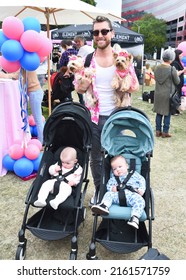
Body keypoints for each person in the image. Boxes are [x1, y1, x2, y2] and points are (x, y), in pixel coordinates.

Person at [75, 16, 123, 205]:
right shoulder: (87, 59)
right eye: (96, 32)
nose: (100, 35)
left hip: (115, 116)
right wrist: (82, 84)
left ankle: (114, 191)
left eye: (104, 31)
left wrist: (122, 85)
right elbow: (78, 87)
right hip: (93, 117)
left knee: (115, 156)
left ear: (112, 33)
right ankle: (99, 190)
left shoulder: (121, 58)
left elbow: (133, 85)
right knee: (95, 158)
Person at [91, 155, 146, 229]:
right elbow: (109, 186)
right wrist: (112, 189)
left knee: (140, 201)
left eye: (120, 167)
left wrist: (141, 189)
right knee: (108, 194)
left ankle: (134, 217)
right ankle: (104, 206)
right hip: (117, 197)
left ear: (127, 166)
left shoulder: (135, 175)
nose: (118, 170)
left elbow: (142, 181)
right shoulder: (113, 179)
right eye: (114, 169)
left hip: (132, 197)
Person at [153, 49, 180, 138]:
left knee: (159, 113)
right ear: (171, 59)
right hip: (168, 95)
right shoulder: (172, 69)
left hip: (158, 93)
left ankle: (157, 131)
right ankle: (165, 131)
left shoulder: (156, 68)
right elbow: (177, 81)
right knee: (167, 113)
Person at [74, 35, 95, 105]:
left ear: (83, 41)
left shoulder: (82, 49)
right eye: (75, 42)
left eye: (78, 41)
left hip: (84, 73)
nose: (77, 43)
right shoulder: (90, 47)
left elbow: (77, 60)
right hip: (91, 72)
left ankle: (83, 105)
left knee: (81, 89)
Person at [27, 71, 44, 145]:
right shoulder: (26, 64)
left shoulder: (25, 66)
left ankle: (42, 142)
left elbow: (17, 76)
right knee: (38, 119)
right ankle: (42, 141)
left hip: (34, 92)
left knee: (38, 119)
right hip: (35, 92)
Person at [171, 49, 185, 115]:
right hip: (176, 83)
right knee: (174, 97)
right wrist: (183, 70)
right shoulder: (175, 63)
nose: (182, 56)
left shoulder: (179, 63)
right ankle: (173, 110)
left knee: (178, 97)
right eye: (180, 55)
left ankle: (177, 109)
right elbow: (176, 73)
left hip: (179, 84)